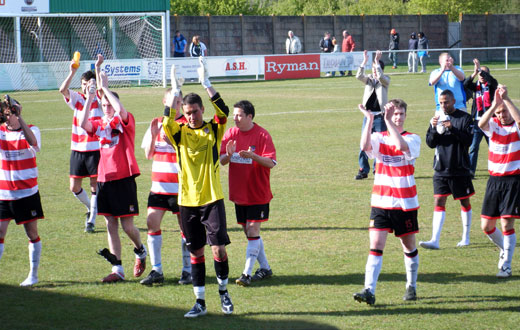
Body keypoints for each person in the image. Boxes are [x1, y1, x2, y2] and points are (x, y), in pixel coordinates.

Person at [162, 57, 233, 318]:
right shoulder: (179, 132)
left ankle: (224, 293)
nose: (191, 117)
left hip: (212, 199)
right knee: (196, 251)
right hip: (186, 202)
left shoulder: (213, 130)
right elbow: (166, 122)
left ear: (202, 109)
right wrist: (175, 91)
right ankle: (200, 302)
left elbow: (224, 112)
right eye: (187, 112)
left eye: (195, 112)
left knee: (219, 249)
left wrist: (207, 83)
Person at [79, 70, 147, 283]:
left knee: (127, 226)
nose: (106, 107)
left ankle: (140, 250)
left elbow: (120, 111)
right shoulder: (101, 124)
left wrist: (106, 90)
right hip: (104, 179)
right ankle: (117, 269)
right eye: (105, 105)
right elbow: (84, 124)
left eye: (109, 104)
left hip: (123, 177)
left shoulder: (125, 121)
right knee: (110, 224)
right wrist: (91, 97)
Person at [353, 99, 421, 305]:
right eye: (394, 114)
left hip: (405, 202)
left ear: (405, 116)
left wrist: (388, 120)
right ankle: (369, 290)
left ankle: (411, 285)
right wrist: (370, 119)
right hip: (381, 202)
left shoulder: (413, 138)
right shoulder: (378, 136)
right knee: (375, 245)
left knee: (408, 246)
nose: (397, 117)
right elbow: (364, 147)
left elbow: (400, 146)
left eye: (400, 114)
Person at [139, 81, 192, 286]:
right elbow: (148, 154)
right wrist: (153, 137)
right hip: (158, 186)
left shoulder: (186, 125)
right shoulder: (156, 123)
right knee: (152, 223)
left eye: (179, 102)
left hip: (180, 187)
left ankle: (187, 270)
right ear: (164, 102)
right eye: (172, 101)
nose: (176, 105)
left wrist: (176, 143)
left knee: (185, 228)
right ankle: (156, 270)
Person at [220, 100, 277, 287]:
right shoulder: (231, 133)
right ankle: (266, 268)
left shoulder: (262, 135)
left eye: (239, 115)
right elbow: (222, 160)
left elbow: (271, 163)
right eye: (234, 115)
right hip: (239, 193)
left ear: (249, 117)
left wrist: (253, 156)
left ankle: (246, 274)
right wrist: (228, 155)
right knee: (249, 233)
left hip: (258, 193)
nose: (235, 119)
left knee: (253, 230)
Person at [420, 90, 474, 250]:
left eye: (446, 102)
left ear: (453, 101)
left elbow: (468, 141)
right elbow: (430, 143)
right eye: (441, 102)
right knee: (438, 201)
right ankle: (434, 240)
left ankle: (466, 237)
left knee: (464, 201)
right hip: (441, 169)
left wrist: (453, 128)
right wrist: (432, 127)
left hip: (460, 169)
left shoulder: (464, 118)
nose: (443, 105)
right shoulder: (437, 119)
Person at [0, 97, 44, 287]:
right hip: (4, 193)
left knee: (32, 233)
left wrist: (20, 117)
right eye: (5, 115)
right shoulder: (1, 131)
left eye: (10, 114)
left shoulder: (32, 129)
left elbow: (33, 143)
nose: (6, 118)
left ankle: (33, 275)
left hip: (26, 193)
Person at [478, 85, 520, 278]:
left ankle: (507, 265)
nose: (503, 115)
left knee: (507, 224)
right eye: (499, 112)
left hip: (513, 181)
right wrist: (495, 103)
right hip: (494, 181)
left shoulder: (516, 128)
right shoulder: (493, 126)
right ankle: (505, 250)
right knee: (486, 227)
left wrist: (507, 99)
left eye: (505, 111)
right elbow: (480, 124)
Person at [59, 56, 104, 233]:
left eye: (90, 83)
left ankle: (91, 221)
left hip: (94, 150)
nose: (87, 86)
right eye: (84, 83)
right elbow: (63, 89)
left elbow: (101, 90)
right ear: (81, 85)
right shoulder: (78, 98)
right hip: (77, 149)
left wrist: (97, 75)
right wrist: (72, 71)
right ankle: (90, 208)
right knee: (74, 187)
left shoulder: (99, 100)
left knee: (94, 186)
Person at [355, 50, 390, 180]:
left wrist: (376, 62)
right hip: (368, 116)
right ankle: (363, 170)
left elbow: (380, 77)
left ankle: (378, 169)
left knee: (379, 143)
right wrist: (365, 61)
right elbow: (359, 75)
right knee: (364, 143)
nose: (374, 71)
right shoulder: (369, 80)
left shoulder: (385, 80)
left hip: (380, 117)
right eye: (373, 69)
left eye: (376, 69)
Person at [464, 58, 498, 178]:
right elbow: (466, 84)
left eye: (484, 74)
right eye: (480, 74)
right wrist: (475, 72)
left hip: (491, 122)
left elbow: (493, 81)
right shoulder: (476, 87)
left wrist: (480, 70)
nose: (482, 76)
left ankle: (497, 169)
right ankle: (471, 172)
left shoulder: (492, 86)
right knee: (473, 148)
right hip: (478, 122)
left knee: (494, 147)